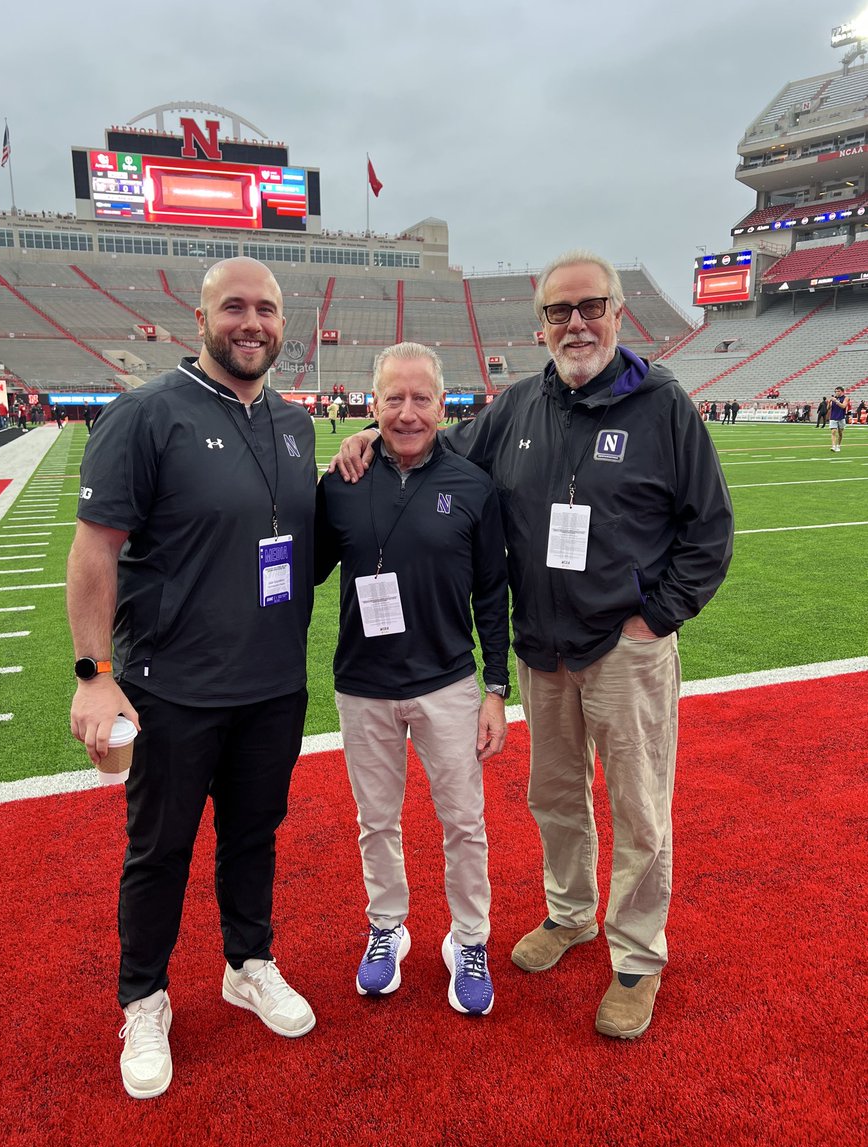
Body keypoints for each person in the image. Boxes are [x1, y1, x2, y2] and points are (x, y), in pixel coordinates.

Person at [332, 250, 733, 1040]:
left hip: (625, 647)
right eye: (559, 312)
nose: (575, 323)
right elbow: (433, 450)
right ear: (541, 324)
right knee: (554, 798)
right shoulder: (516, 407)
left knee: (639, 809)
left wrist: (656, 617)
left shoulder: (665, 407)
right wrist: (369, 441)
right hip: (541, 648)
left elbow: (709, 530)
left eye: (590, 307)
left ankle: (637, 957)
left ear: (619, 313)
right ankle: (571, 914)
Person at [67, 257, 317, 1100]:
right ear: (201, 316)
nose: (253, 323)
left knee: (255, 837)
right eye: (235, 307)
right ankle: (143, 997)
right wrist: (94, 675)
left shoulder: (294, 422)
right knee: (160, 851)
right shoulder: (145, 414)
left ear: (285, 323)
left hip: (274, 682)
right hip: (171, 685)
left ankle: (248, 963)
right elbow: (94, 550)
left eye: (267, 310)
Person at [316, 342, 510, 1017]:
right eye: (391, 399)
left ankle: (470, 938)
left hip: (447, 684)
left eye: (419, 398)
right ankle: (387, 928)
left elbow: (492, 593)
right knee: (377, 821)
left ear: (442, 403)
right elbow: (305, 569)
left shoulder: (472, 485)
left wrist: (496, 689)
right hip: (363, 683)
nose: (405, 412)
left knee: (464, 821)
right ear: (371, 405)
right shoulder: (340, 481)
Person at [829, 386, 849, 452]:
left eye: (838, 391)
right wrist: (829, 402)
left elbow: (843, 406)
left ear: (842, 392)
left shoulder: (846, 398)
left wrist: (836, 401)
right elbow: (828, 408)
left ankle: (838, 446)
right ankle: (833, 446)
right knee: (833, 432)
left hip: (841, 417)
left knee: (840, 433)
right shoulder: (834, 398)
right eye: (836, 391)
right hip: (833, 417)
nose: (836, 393)